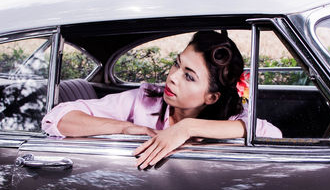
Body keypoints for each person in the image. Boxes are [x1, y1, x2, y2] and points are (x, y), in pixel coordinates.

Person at [42, 31, 282, 169]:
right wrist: (126, 127)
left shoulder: (230, 118)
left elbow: (271, 135)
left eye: (189, 76)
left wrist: (187, 128)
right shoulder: (146, 98)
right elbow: (57, 118)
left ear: (211, 97)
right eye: (177, 63)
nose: (173, 77)